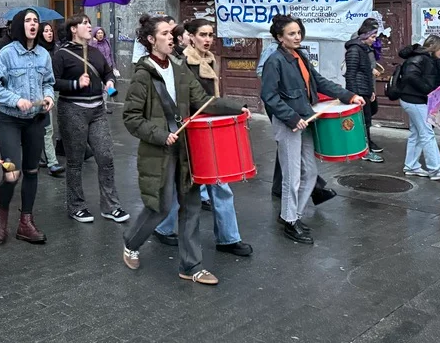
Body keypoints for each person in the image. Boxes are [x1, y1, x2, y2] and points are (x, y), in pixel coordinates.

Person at [121, 15, 247, 285]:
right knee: (160, 206)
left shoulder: (180, 70)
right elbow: (131, 118)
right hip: (159, 151)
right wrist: (160, 135)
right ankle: (131, 242)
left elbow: (203, 101)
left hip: (187, 148)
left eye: (172, 33)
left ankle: (191, 266)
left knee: (191, 206)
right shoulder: (143, 76)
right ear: (151, 40)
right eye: (164, 33)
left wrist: (237, 108)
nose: (171, 37)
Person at [261, 14, 365, 245]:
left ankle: (291, 215)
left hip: (307, 120)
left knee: (309, 173)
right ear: (279, 37)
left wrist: (349, 95)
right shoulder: (274, 61)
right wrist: (291, 117)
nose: (297, 37)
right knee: (291, 176)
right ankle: (290, 221)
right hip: (289, 123)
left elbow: (319, 82)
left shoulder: (300, 56)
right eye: (291, 34)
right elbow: (269, 96)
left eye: (299, 32)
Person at [153, 19, 252, 256]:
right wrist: (235, 107)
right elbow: (201, 101)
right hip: (188, 130)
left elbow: (210, 100)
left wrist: (230, 109)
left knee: (219, 183)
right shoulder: (182, 63)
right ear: (190, 36)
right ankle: (163, 228)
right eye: (202, 35)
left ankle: (228, 238)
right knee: (182, 184)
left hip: (208, 130)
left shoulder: (209, 59)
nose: (207, 39)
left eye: (210, 35)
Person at [0, 9, 55, 245]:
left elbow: (48, 82)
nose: (33, 24)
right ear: (18, 25)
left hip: (35, 120)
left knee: (32, 171)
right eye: (28, 20)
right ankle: (2, 218)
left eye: (36, 21)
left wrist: (49, 97)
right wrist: (15, 99)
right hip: (10, 120)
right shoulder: (7, 54)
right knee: (12, 173)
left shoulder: (44, 55)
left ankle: (26, 223)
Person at [53, 14, 128, 224]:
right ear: (73, 29)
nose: (89, 26)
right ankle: (76, 207)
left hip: (97, 110)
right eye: (84, 23)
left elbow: (107, 73)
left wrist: (110, 83)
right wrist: (75, 84)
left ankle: (110, 206)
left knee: (105, 157)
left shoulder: (95, 52)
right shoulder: (62, 55)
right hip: (72, 110)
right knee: (75, 161)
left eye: (89, 22)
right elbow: (53, 82)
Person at [397, 36, 440, 179]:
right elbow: (410, 76)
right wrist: (427, 89)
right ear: (433, 47)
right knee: (427, 134)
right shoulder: (421, 58)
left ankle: (411, 166)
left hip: (412, 99)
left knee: (417, 134)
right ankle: (436, 169)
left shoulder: (424, 58)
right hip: (414, 100)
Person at [344, 22, 384, 163]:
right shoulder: (354, 50)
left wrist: (371, 90)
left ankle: (365, 148)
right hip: (359, 92)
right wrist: (354, 95)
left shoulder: (364, 49)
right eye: (372, 37)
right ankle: (365, 150)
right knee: (363, 122)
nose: (374, 39)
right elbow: (350, 74)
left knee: (366, 121)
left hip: (365, 90)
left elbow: (367, 73)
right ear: (365, 36)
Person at [37, 22, 65, 176]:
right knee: (47, 129)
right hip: (42, 92)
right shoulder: (38, 51)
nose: (49, 33)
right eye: (46, 31)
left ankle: (41, 155)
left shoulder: (57, 49)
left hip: (57, 90)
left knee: (61, 123)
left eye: (50, 31)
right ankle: (52, 163)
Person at [90, 26, 119, 114]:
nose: (100, 35)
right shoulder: (92, 43)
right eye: (98, 33)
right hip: (98, 69)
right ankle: (98, 106)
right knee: (100, 88)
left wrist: (114, 66)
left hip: (108, 68)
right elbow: (92, 53)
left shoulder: (106, 42)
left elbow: (110, 55)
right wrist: (94, 43)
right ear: (95, 34)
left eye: (101, 33)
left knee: (107, 87)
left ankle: (105, 106)